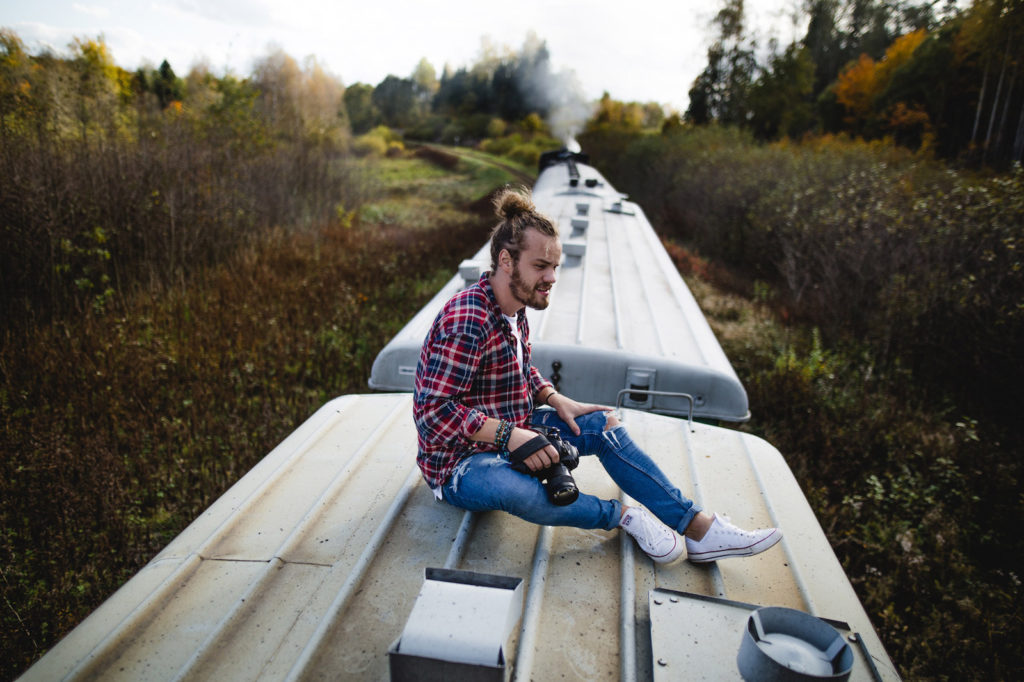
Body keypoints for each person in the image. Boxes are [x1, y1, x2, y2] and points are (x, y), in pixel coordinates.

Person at [412, 187, 781, 563]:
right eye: (541, 266)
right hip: (460, 462)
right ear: (506, 261)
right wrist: (511, 435)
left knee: (604, 424)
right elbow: (433, 413)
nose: (552, 277)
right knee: (518, 492)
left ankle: (699, 529)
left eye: (554, 266)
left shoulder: (514, 306)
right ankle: (622, 517)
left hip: (513, 425)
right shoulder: (467, 320)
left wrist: (554, 398)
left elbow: (515, 369)